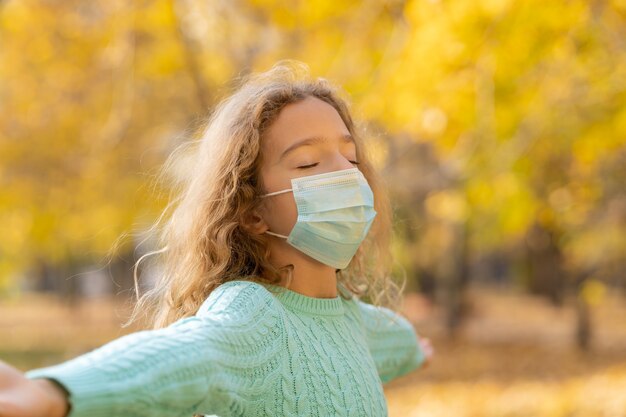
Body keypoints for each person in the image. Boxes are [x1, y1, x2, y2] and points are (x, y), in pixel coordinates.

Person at [0, 60, 434, 417]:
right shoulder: (256, 317)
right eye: (307, 164)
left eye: (351, 155)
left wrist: (415, 348)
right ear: (251, 212)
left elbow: (392, 340)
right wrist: (54, 392)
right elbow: (182, 357)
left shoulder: (352, 321)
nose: (345, 171)